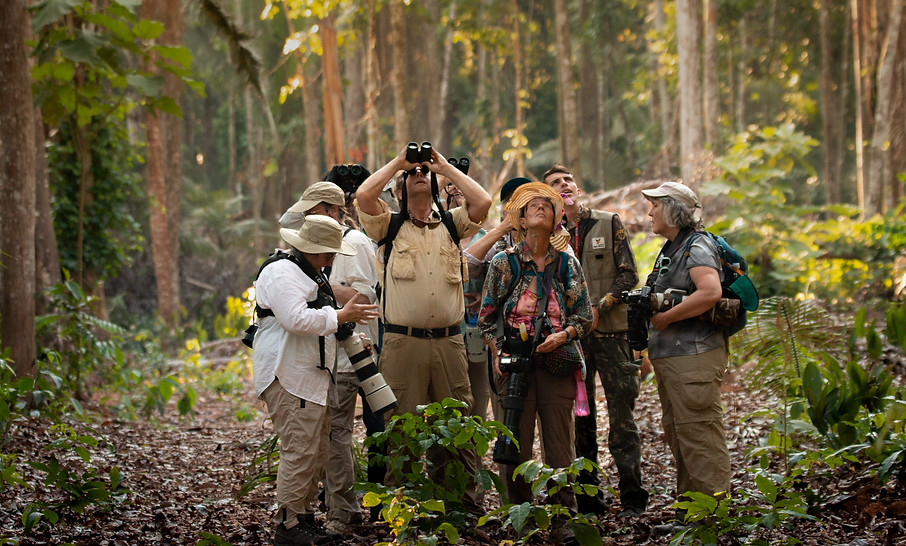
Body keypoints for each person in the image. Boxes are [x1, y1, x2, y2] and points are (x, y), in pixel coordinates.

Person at [354, 143, 492, 515]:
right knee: (402, 428)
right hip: (403, 342)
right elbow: (365, 195)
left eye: (423, 172)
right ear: (399, 190)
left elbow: (483, 203)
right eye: (412, 174)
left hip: (450, 343)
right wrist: (399, 161)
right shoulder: (389, 225)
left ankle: (460, 506)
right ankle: (406, 510)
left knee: (458, 425)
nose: (419, 174)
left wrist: (443, 166)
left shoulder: (451, 224)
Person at [251, 214, 379, 546]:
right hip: (288, 376)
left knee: (315, 451)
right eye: (328, 253)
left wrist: (345, 334)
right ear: (311, 248)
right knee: (299, 451)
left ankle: (303, 518)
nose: (332, 259)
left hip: (309, 378)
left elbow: (316, 324)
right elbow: (295, 320)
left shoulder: (310, 274)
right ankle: (289, 526)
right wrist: (339, 316)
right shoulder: (281, 273)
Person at [477, 182, 593, 520]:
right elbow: (484, 319)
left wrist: (563, 336)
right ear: (522, 221)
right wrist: (499, 351)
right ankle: (518, 517)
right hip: (515, 368)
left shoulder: (566, 265)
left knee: (560, 446)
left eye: (547, 204)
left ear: (557, 218)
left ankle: (564, 518)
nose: (540, 207)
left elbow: (585, 315)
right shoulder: (504, 263)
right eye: (532, 206)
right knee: (515, 444)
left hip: (556, 364)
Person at [542, 165, 649, 518]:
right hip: (573, 341)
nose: (565, 185)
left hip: (612, 335)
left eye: (568, 179)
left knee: (622, 419)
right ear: (547, 197)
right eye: (556, 183)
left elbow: (629, 274)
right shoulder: (548, 235)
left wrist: (600, 307)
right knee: (580, 420)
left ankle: (633, 495)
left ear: (578, 188)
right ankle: (589, 497)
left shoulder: (608, 222)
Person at [639, 182, 731, 535]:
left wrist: (664, 318)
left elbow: (710, 292)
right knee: (681, 435)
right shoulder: (673, 248)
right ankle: (691, 516)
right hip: (676, 358)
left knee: (700, 435)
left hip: (694, 355)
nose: (650, 213)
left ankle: (712, 521)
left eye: (655, 206)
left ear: (673, 209)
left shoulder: (697, 244)